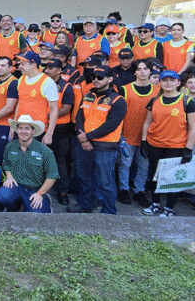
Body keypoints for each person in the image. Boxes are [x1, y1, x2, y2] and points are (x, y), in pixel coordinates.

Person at [70, 65, 127, 214]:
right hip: (84, 144)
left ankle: (108, 211)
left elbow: (110, 125)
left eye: (100, 77)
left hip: (106, 147)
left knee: (106, 182)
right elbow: (79, 117)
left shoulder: (118, 100)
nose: (95, 80)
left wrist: (87, 137)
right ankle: (84, 204)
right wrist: (84, 140)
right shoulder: (88, 95)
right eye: (94, 77)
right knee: (84, 177)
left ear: (109, 79)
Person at [140, 70, 195, 217]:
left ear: (178, 83)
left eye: (172, 80)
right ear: (160, 83)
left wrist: (188, 149)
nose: (168, 83)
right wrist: (144, 141)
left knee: (173, 178)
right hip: (155, 143)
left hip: (176, 146)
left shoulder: (187, 101)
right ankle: (155, 204)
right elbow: (147, 122)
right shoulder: (154, 101)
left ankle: (170, 207)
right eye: (165, 80)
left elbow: (193, 127)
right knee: (154, 175)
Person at [0, 115, 58, 213]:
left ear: (33, 131)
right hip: (16, 186)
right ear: (17, 130)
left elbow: (52, 176)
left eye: (27, 128)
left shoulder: (45, 151)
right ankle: (15, 206)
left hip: (35, 189)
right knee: (2, 196)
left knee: (36, 215)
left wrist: (39, 193)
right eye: (20, 128)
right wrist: (9, 176)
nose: (23, 131)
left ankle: (44, 199)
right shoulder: (10, 146)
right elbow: (6, 164)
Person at [118, 59, 157, 207]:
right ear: (134, 72)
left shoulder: (157, 90)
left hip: (148, 136)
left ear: (150, 72)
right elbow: (119, 114)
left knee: (143, 165)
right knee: (125, 164)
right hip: (127, 134)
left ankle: (139, 191)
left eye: (145, 69)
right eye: (139, 69)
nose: (142, 72)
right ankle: (123, 189)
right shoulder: (125, 89)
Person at [42, 59, 74, 206]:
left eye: (51, 68)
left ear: (59, 70)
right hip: (41, 126)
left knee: (60, 161)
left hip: (59, 129)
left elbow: (66, 108)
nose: (47, 70)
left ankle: (62, 191)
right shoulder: (42, 83)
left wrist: (47, 115)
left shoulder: (66, 86)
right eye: (46, 67)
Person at [14, 51, 59, 144]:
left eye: (23, 64)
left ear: (33, 65)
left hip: (37, 130)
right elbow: (20, 102)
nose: (20, 66)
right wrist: (13, 126)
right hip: (21, 128)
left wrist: (50, 133)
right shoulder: (21, 79)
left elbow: (54, 109)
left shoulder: (47, 82)